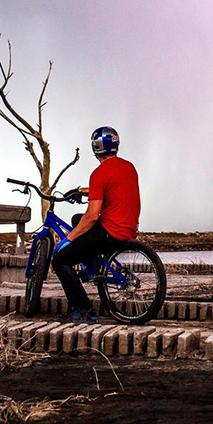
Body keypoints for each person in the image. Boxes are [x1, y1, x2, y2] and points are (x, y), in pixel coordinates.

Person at [51, 125, 140, 323]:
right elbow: (113, 186)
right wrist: (82, 191)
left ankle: (84, 309)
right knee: (75, 219)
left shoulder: (99, 174)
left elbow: (92, 216)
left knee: (60, 260)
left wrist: (67, 239)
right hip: (128, 229)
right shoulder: (129, 167)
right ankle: (92, 267)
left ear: (95, 148)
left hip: (109, 233)